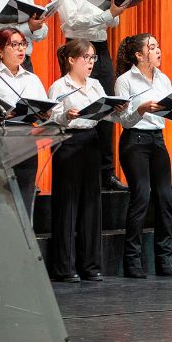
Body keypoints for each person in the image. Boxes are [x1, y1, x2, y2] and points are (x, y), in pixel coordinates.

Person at [49, 0, 128, 191]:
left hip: (102, 47)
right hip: (77, 47)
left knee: (106, 106)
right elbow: (72, 18)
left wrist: (115, 11)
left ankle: (107, 171)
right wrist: (109, 14)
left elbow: (110, 23)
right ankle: (83, 168)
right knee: (79, 105)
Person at [46, 39, 116, 283]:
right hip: (68, 142)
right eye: (86, 58)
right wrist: (65, 115)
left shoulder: (96, 84)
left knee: (91, 203)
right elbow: (51, 117)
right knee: (67, 204)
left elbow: (106, 109)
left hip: (92, 140)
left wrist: (115, 108)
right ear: (71, 60)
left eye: (93, 58)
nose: (90, 63)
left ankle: (91, 265)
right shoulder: (59, 86)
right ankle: (64, 267)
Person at [114, 34, 172, 278]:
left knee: (165, 198)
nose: (158, 50)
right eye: (152, 47)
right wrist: (140, 109)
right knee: (141, 196)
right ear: (139, 55)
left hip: (157, 140)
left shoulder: (164, 79)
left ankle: (164, 259)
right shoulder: (125, 80)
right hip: (135, 141)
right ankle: (132, 261)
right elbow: (124, 121)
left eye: (158, 46)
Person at [0, 27, 49, 219]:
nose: (20, 49)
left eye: (23, 44)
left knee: (24, 199)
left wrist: (46, 114)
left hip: (26, 140)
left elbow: (45, 113)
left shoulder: (32, 79)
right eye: (14, 45)